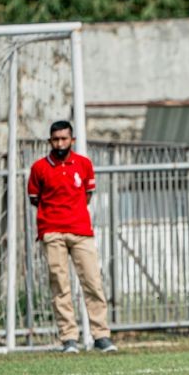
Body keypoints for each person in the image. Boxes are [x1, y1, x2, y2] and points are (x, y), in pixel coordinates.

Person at [27, 120, 117, 354]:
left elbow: (87, 194)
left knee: (92, 282)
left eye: (64, 139)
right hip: (52, 232)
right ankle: (68, 338)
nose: (59, 143)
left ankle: (101, 336)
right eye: (55, 139)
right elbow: (34, 198)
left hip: (81, 231)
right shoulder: (39, 168)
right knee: (60, 285)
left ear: (72, 140)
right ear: (50, 141)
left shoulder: (84, 164)